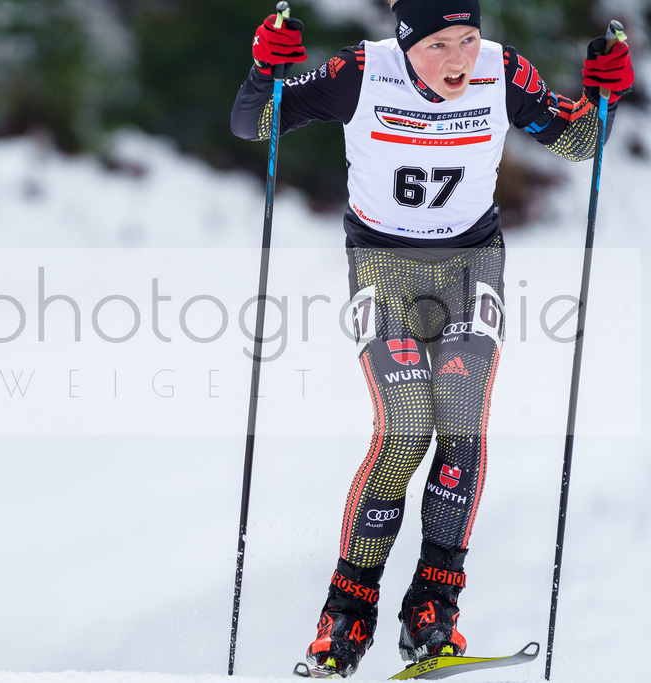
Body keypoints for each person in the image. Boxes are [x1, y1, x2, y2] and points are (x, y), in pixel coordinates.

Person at [231, 0, 634, 678]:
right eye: (439, 43)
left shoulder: (501, 72)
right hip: (382, 269)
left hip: (471, 267)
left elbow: (580, 141)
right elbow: (255, 124)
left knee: (460, 424)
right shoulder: (363, 72)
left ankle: (433, 605)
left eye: (469, 38)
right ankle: (346, 612)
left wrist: (604, 94)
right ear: (404, 40)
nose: (458, 60)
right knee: (404, 427)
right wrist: (262, 72)